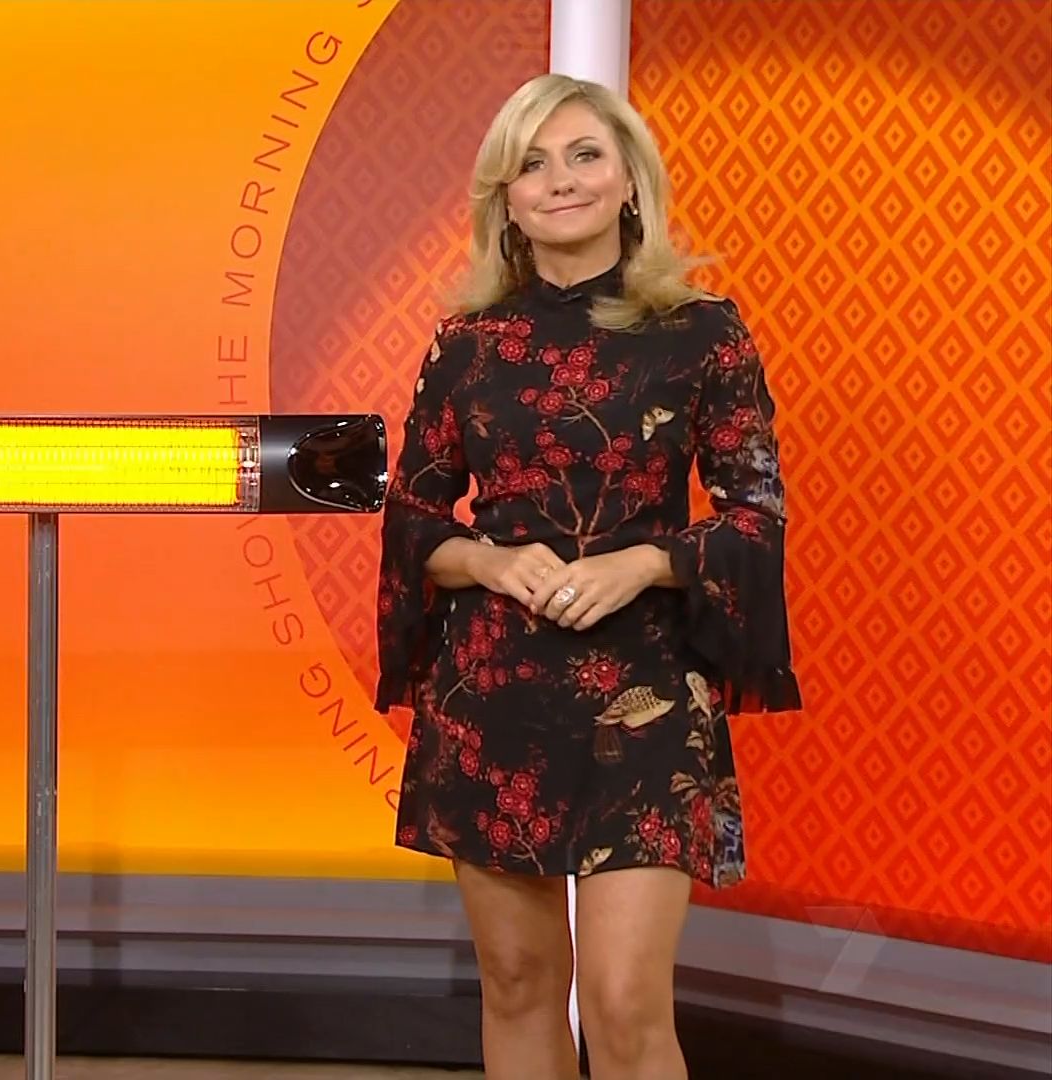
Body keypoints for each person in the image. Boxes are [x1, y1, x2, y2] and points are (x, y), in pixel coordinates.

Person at [374, 74, 800, 1080]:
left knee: (622, 1000)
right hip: (494, 691)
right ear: (507, 200)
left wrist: (644, 563)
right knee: (520, 983)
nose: (559, 180)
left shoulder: (705, 331)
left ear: (629, 182)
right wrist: (490, 559)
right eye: (531, 164)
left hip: (645, 692)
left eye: (583, 156)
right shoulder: (467, 345)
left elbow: (755, 511)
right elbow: (414, 518)